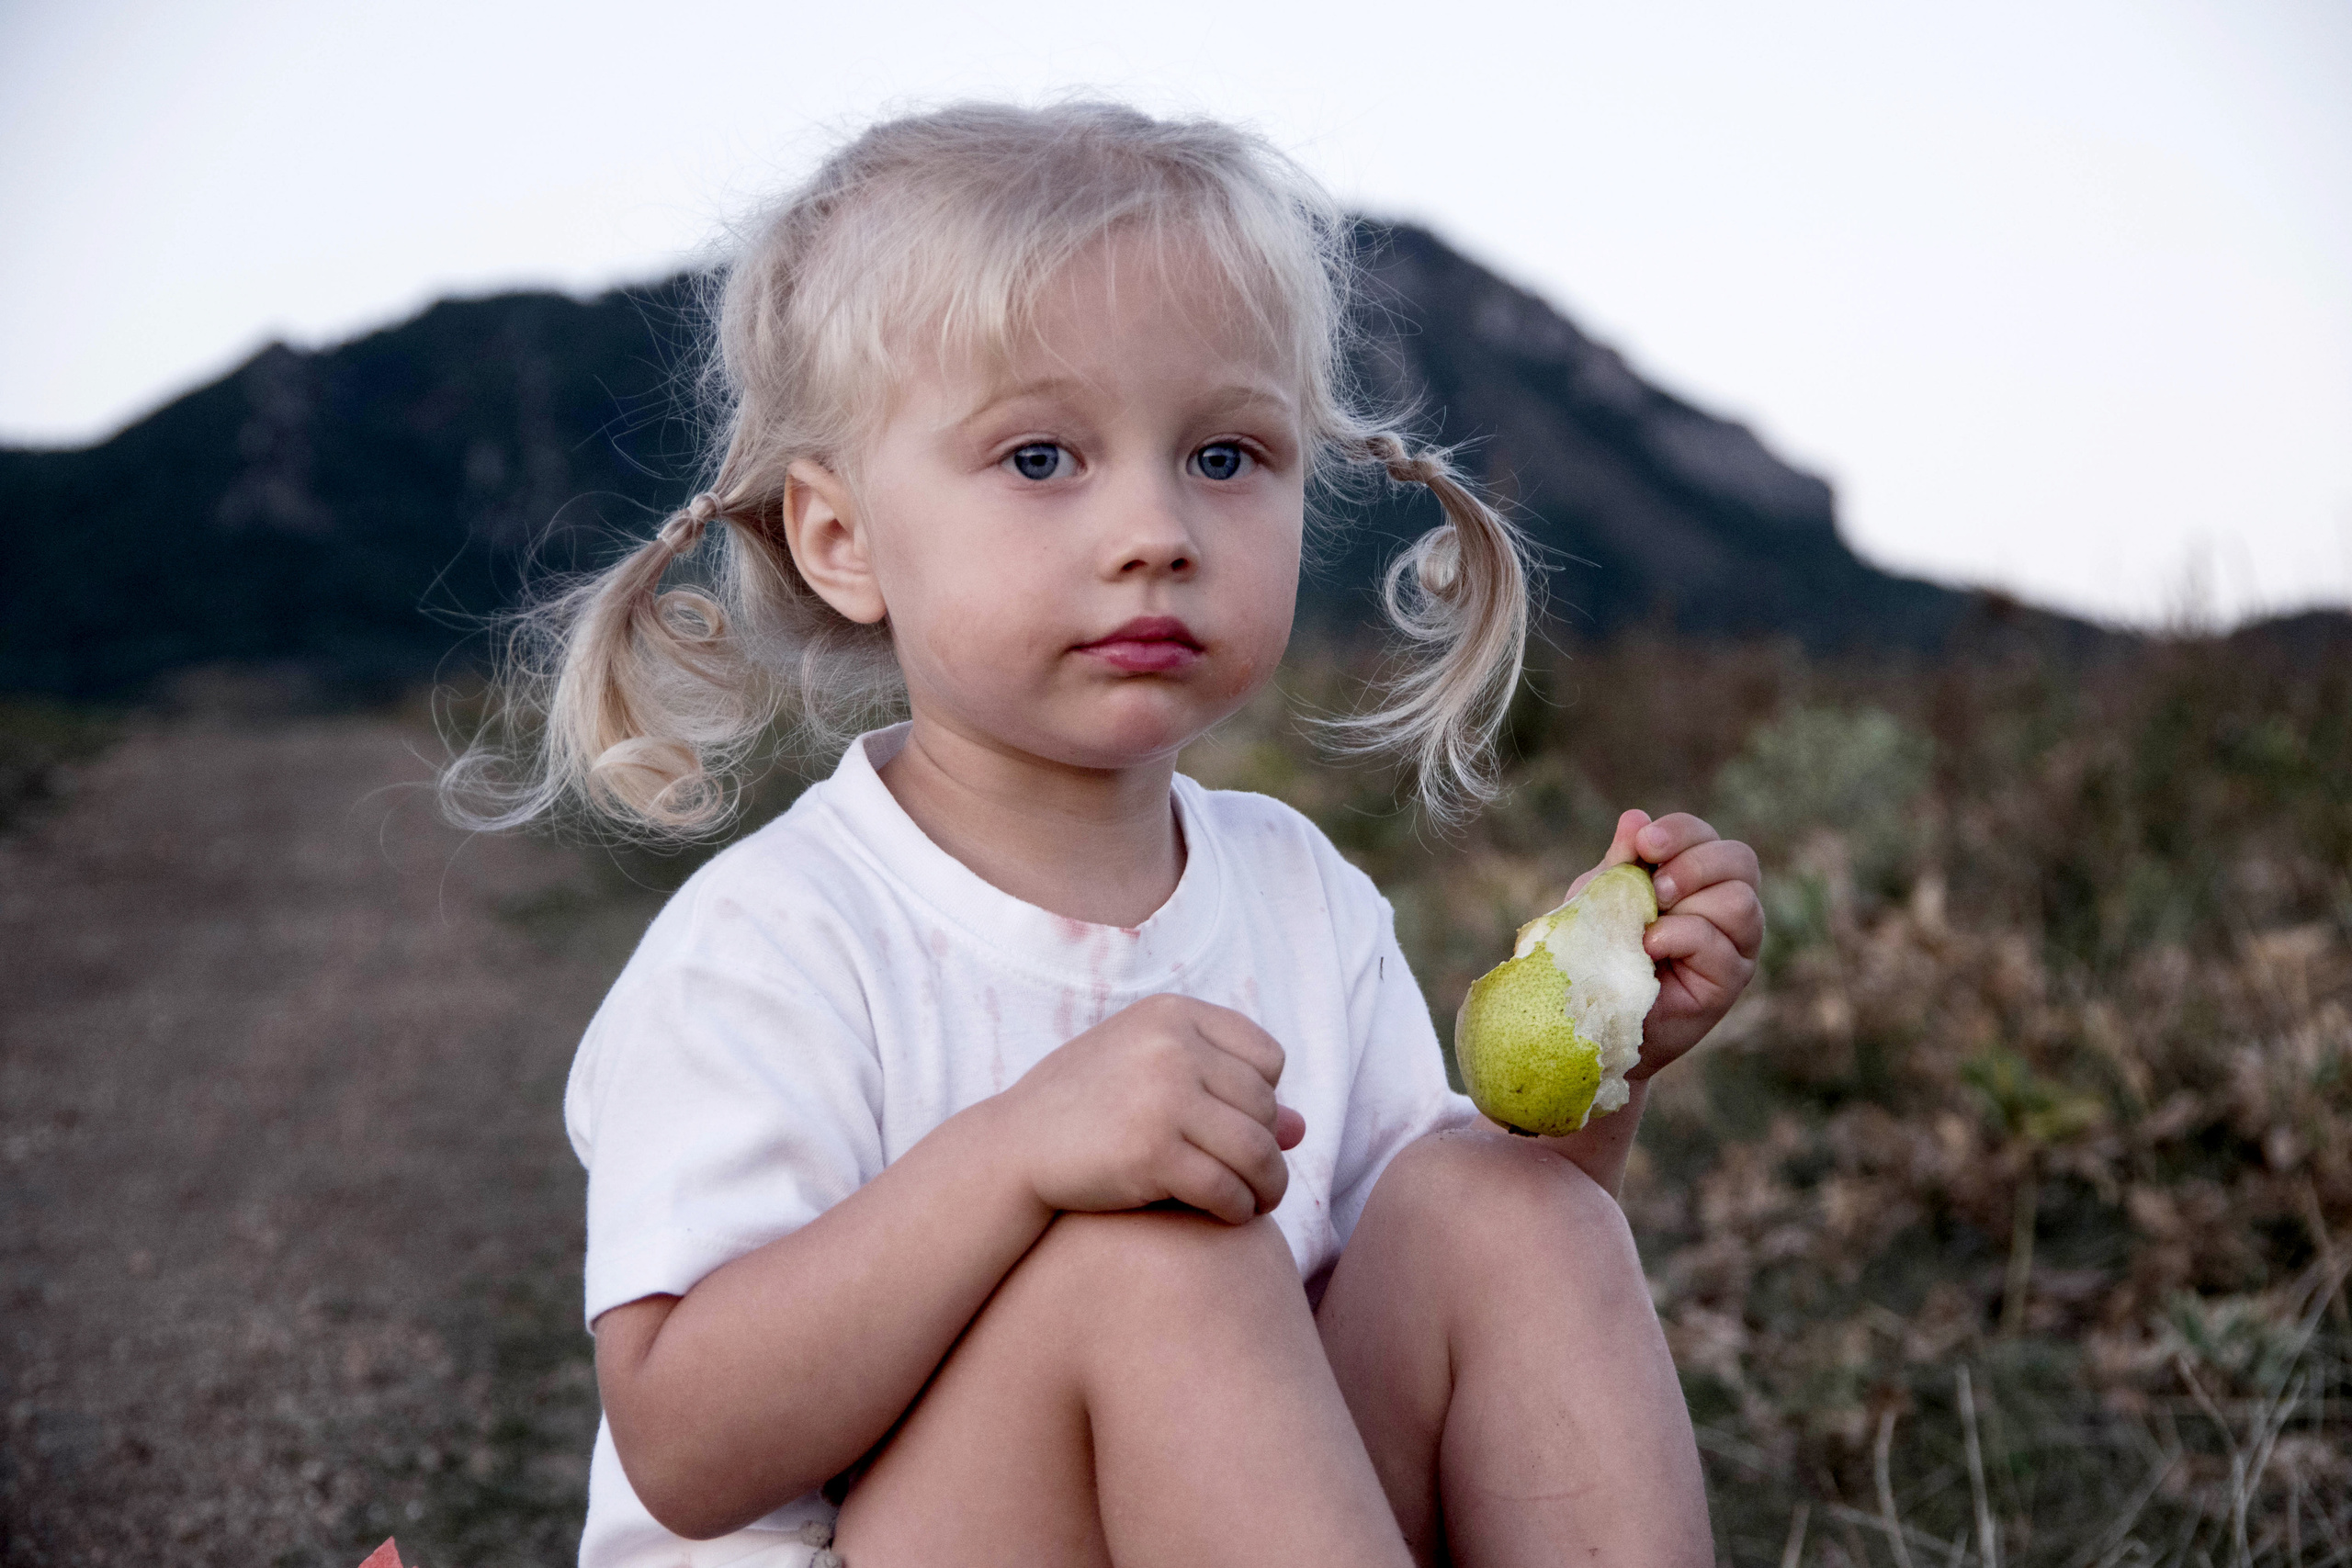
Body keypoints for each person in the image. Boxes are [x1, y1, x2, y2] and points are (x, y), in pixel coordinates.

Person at [444, 101, 1763, 1568]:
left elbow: (1456, 1335)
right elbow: (683, 1449)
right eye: (1038, 459)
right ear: (842, 539)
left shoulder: (1300, 898)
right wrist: (1016, 1158)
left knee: (1506, 1215)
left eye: (1222, 456)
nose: (1155, 529)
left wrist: (1600, 1064)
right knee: (1150, 1256)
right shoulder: (776, 943)